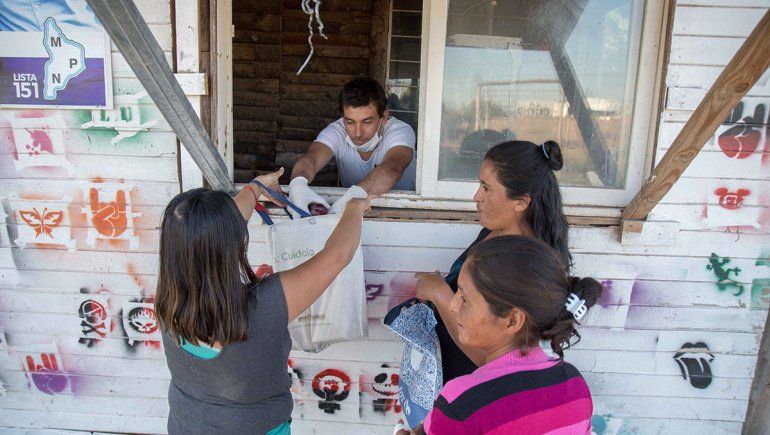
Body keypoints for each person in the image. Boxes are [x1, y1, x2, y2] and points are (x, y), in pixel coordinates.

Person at [154, 167, 370, 434]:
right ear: (229, 245)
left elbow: (211, 234)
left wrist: (256, 187)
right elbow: (338, 255)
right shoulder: (264, 306)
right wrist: (354, 208)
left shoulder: (168, 299)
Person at [400, 235, 601, 434]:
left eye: (465, 298)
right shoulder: (574, 384)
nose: (453, 305)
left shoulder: (462, 402)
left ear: (512, 320)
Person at [416, 140, 571, 383]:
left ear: (521, 202)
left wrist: (439, 293)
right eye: (480, 184)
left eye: (487, 189)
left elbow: (491, 358)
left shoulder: (525, 265)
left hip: (475, 384)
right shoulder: (494, 231)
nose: (476, 196)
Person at [288, 76, 417, 216]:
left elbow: (392, 169)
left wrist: (355, 196)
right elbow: (312, 158)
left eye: (367, 122)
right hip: (352, 215)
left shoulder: (400, 131)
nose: (358, 133)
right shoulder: (337, 130)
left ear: (384, 118)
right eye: (350, 122)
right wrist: (298, 183)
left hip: (403, 214)